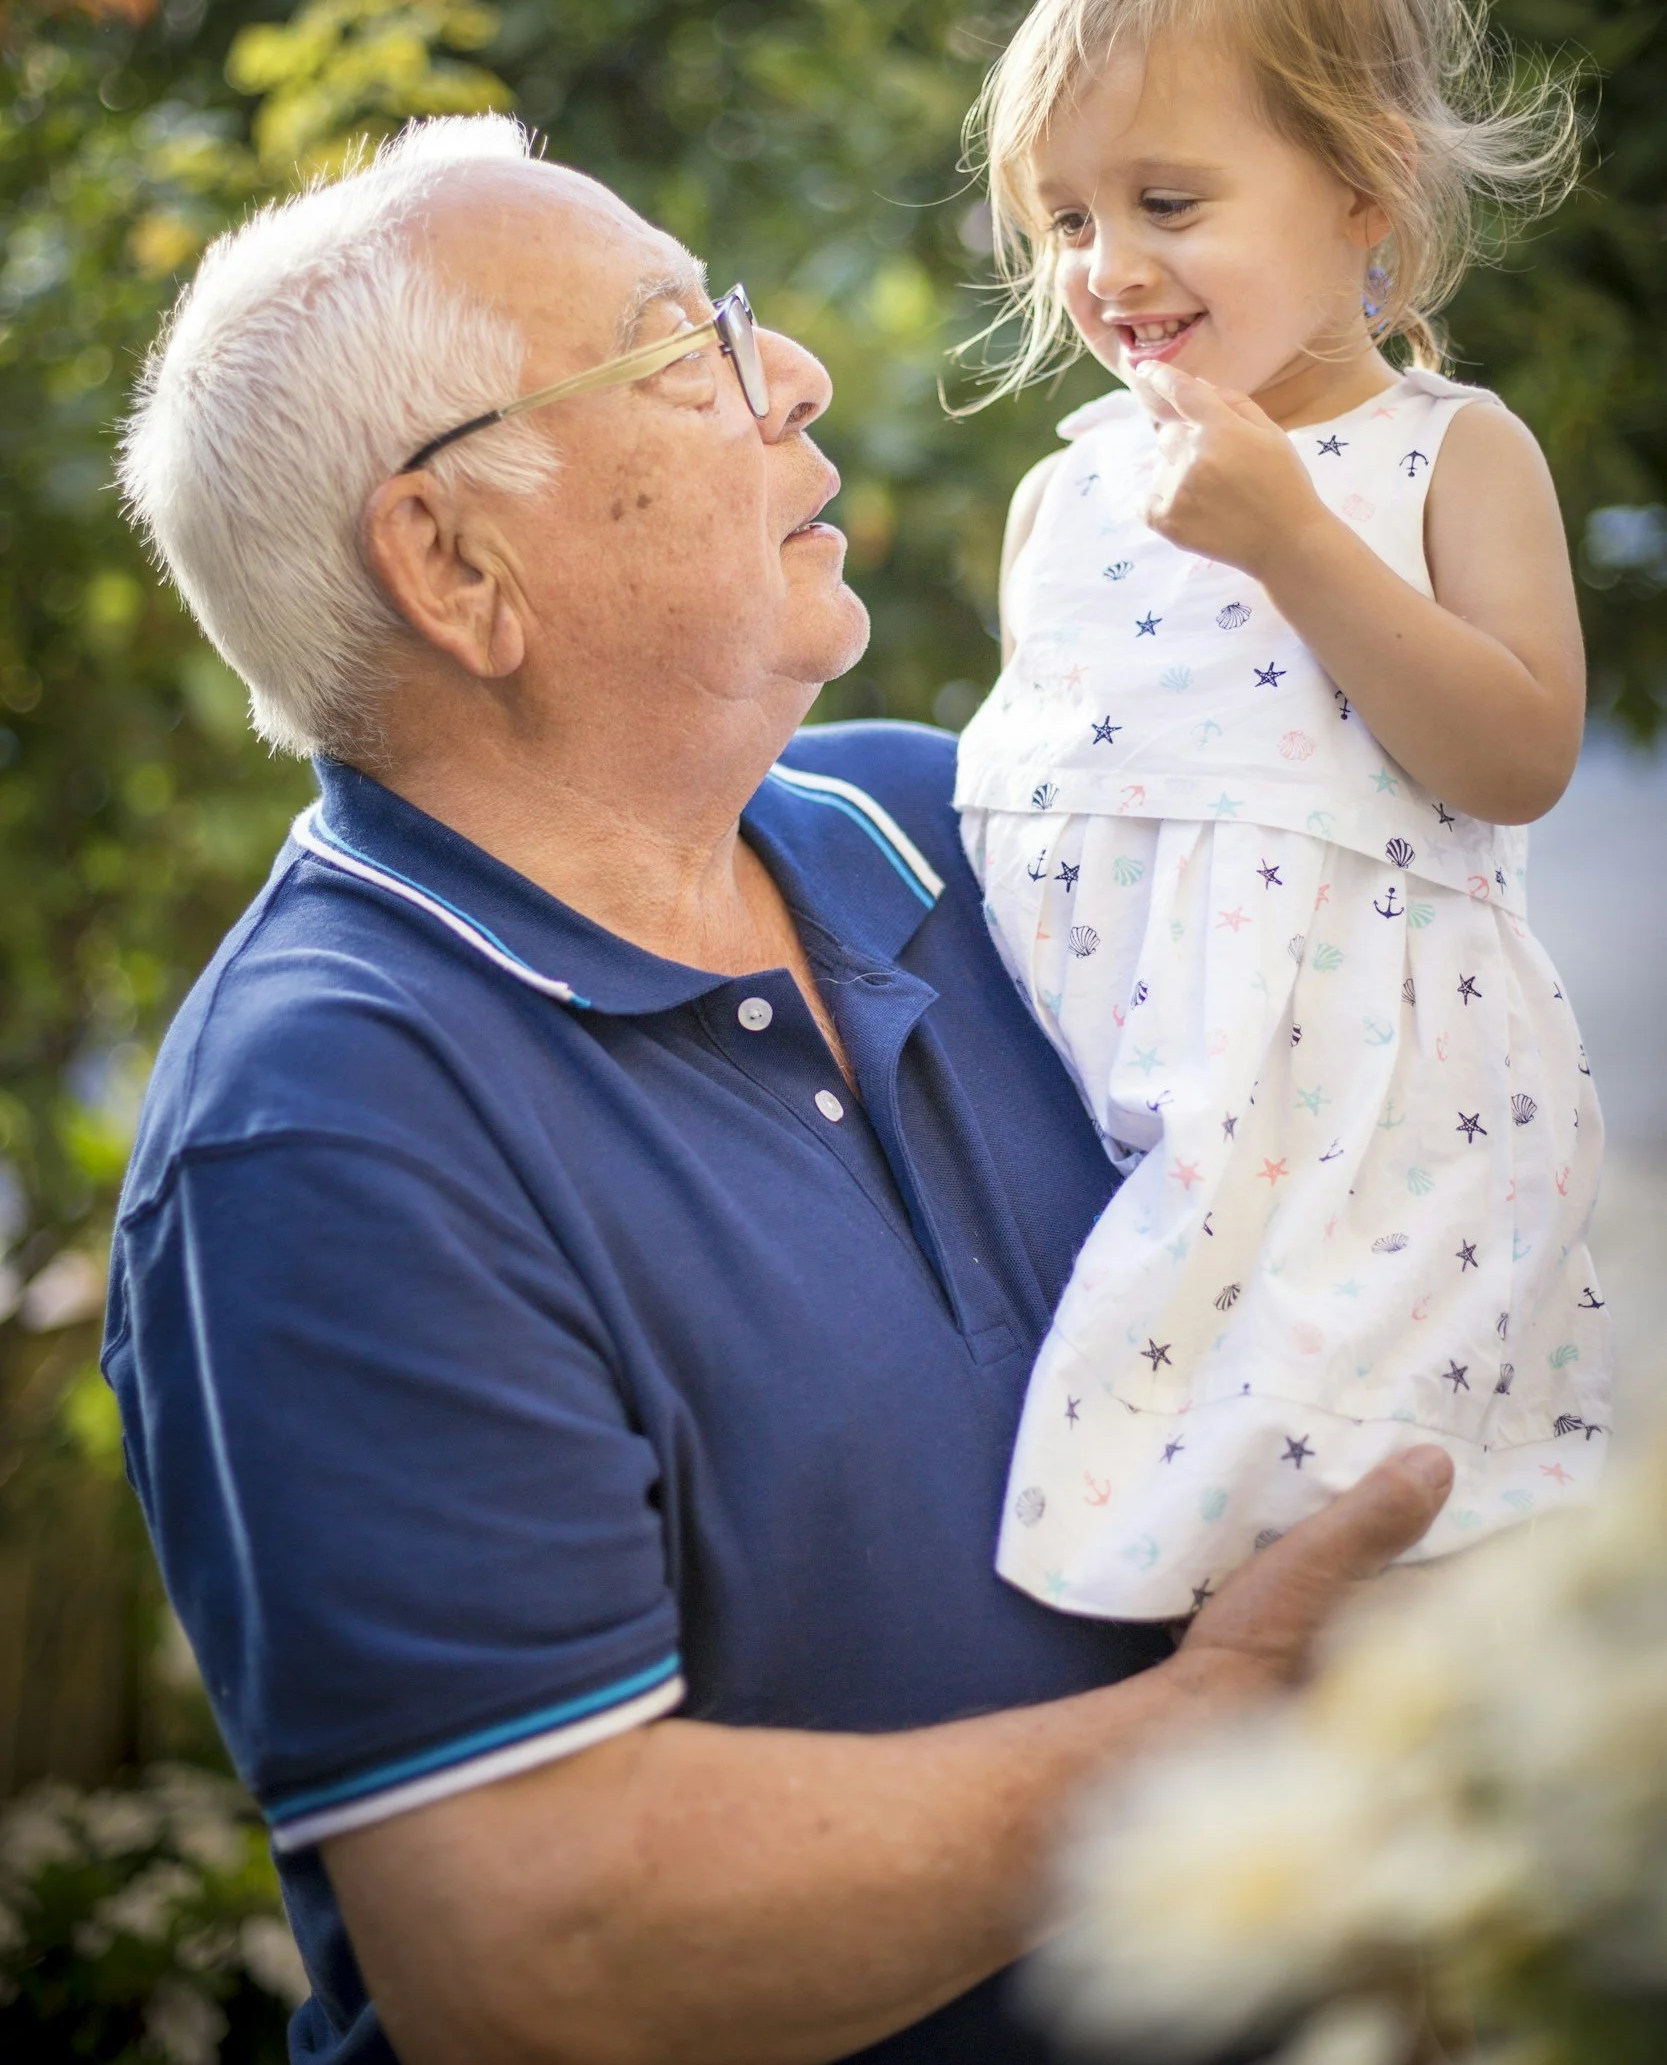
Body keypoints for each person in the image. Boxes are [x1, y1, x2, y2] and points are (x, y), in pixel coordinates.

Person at [109, 113, 1453, 2065]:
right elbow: (536, 1945)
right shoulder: (324, 1124)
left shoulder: (959, 822)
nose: (796, 369)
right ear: (456, 561)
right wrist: (1204, 1730)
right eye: (686, 344)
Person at [954, 0, 1610, 1627]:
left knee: (1374, 1566)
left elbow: (1515, 755)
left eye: (1167, 197)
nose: (1108, 268)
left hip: (1369, 1147)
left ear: (1358, 189)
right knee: (1151, 1593)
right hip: (1124, 1134)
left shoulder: (1442, 454)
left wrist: (1295, 546)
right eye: (1064, 219)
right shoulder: (1062, 497)